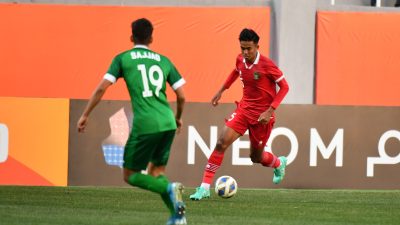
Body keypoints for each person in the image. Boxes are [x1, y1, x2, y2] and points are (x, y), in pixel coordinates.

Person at [77, 18, 187, 225]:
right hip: (168, 122)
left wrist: (85, 114)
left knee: (130, 175)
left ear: (131, 37)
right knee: (156, 172)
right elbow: (181, 96)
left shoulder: (122, 59)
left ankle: (169, 189)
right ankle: (177, 217)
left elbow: (102, 88)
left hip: (146, 124)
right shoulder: (164, 60)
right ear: (151, 38)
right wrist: (178, 118)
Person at [190, 28, 289, 201]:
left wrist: (270, 110)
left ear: (257, 46)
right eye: (242, 48)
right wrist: (221, 90)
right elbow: (236, 71)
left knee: (255, 157)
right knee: (221, 143)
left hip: (262, 118)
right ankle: (204, 187)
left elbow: (285, 87)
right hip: (244, 110)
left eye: (249, 48)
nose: (245, 52)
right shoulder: (240, 59)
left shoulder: (267, 65)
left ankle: (278, 163)